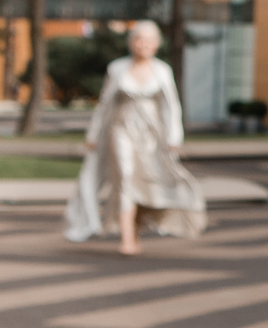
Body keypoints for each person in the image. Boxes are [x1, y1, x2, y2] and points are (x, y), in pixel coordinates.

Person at [67, 20, 208, 254]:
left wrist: (174, 137)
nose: (144, 44)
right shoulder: (117, 69)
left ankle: (136, 229)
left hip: (152, 135)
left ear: (156, 44)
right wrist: (92, 134)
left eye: (149, 40)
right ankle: (126, 237)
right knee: (125, 176)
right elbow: (104, 105)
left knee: (147, 182)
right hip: (121, 129)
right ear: (131, 42)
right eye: (139, 39)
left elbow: (171, 106)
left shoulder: (162, 70)